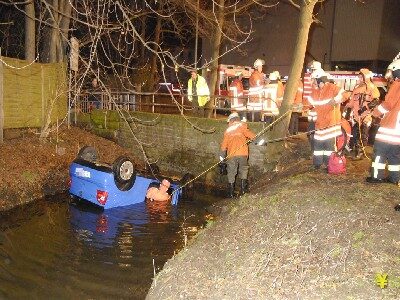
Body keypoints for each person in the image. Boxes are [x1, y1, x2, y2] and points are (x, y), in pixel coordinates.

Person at [366, 58, 400, 185]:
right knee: (394, 156)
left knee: (379, 153)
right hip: (398, 131)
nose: (388, 74)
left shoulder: (397, 85)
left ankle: (376, 177)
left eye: (391, 71)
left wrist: (375, 113)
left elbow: (388, 104)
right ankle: (394, 178)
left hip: (389, 128)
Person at [308, 68, 345, 169]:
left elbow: (344, 94)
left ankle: (329, 164)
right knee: (318, 145)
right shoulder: (315, 91)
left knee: (329, 147)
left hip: (330, 124)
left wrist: (336, 100)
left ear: (319, 79)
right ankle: (317, 164)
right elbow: (309, 102)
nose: (312, 82)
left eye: (314, 80)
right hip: (319, 124)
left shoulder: (332, 88)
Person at [220, 112, 262, 198]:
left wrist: (222, 161)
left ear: (231, 120)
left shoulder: (228, 131)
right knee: (243, 169)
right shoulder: (242, 126)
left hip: (232, 154)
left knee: (231, 172)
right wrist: (259, 141)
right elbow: (250, 135)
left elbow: (223, 147)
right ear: (237, 119)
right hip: (243, 153)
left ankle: (231, 194)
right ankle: (243, 191)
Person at [344, 68, 380, 159]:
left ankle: (360, 153)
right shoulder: (357, 88)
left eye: (361, 77)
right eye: (359, 77)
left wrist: (365, 108)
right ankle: (354, 150)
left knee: (363, 134)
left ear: (365, 77)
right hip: (356, 116)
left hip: (366, 116)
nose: (359, 78)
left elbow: (375, 101)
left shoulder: (372, 87)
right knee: (355, 134)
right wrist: (346, 108)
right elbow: (351, 102)